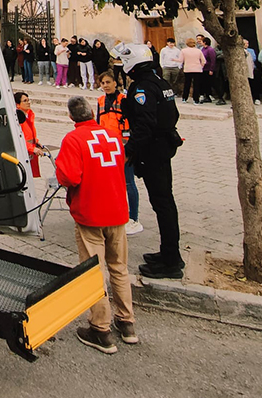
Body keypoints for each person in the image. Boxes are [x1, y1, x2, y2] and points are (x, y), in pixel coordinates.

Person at [55, 95, 137, 353]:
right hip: (117, 211)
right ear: (92, 112)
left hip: (91, 213)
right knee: (119, 267)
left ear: (71, 116)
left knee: (94, 271)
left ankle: (100, 329)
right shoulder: (112, 135)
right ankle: (127, 323)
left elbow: (69, 176)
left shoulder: (73, 139)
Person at [115, 42, 184, 279]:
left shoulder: (143, 87)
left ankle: (171, 262)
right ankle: (169, 252)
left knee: (163, 204)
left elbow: (144, 125)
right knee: (165, 203)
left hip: (153, 151)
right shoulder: (159, 82)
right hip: (163, 148)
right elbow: (173, 114)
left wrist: (129, 152)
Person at [97, 71, 142, 235]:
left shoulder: (125, 100)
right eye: (103, 83)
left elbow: (133, 124)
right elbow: (98, 123)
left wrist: (130, 148)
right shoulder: (100, 101)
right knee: (110, 184)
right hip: (106, 148)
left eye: (108, 82)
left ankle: (133, 218)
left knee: (128, 183)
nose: (106, 85)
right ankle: (115, 214)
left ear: (115, 83)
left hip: (124, 147)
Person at [15, 91, 44, 179]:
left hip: (30, 152)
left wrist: (36, 141)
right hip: (25, 152)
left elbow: (29, 134)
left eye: (28, 100)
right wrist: (32, 148)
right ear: (18, 105)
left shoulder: (29, 115)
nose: (28, 103)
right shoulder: (18, 119)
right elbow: (18, 138)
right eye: (25, 101)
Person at [180, 38, 205, 104]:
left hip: (188, 69)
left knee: (187, 84)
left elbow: (181, 60)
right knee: (196, 85)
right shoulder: (198, 51)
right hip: (197, 69)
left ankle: (184, 98)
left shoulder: (183, 51)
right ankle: (196, 99)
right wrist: (201, 66)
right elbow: (203, 61)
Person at [244, 39, 262, 105]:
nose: (247, 45)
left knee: (254, 84)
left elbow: (254, 58)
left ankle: (256, 98)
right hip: (243, 70)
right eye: (245, 43)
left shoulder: (251, 51)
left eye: (247, 43)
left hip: (252, 69)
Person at [198, 37, 216, 103]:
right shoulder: (203, 49)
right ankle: (205, 95)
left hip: (208, 68)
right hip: (203, 68)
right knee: (203, 83)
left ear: (205, 42)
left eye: (201, 41)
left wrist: (211, 69)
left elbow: (213, 60)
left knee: (209, 83)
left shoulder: (210, 50)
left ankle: (210, 95)